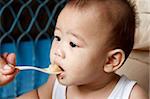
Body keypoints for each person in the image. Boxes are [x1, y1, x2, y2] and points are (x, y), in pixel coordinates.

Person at [0, 0, 148, 99]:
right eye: (57, 38)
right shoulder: (55, 85)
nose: (58, 51)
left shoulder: (131, 95)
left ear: (111, 60)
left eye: (72, 44)